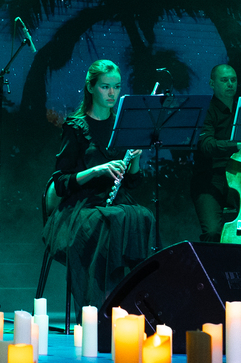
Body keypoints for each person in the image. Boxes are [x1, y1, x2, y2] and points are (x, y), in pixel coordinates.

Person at [44, 60, 159, 312]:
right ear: (91, 87)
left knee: (144, 217)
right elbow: (61, 182)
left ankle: (137, 300)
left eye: (116, 87)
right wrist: (97, 170)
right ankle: (102, 305)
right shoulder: (76, 127)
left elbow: (132, 182)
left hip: (116, 202)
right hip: (82, 206)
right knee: (110, 221)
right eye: (105, 86)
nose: (112, 93)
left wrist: (135, 159)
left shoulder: (122, 124)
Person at [190, 63, 241, 243]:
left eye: (233, 80)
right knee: (213, 232)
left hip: (240, 177)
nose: (230, 84)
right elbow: (206, 146)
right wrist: (237, 145)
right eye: (224, 80)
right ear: (212, 83)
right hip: (210, 179)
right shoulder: (205, 111)